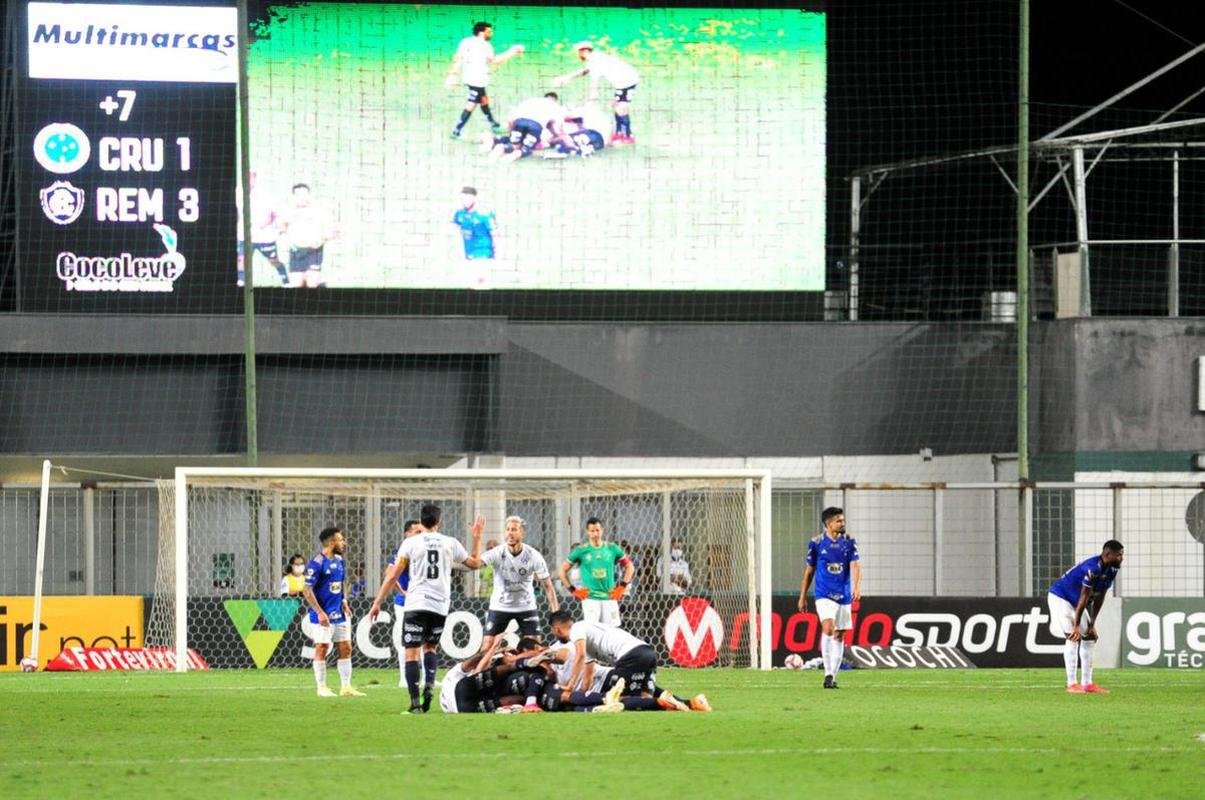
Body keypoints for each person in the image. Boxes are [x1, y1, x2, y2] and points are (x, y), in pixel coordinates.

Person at [370, 504, 484, 714]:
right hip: (439, 606)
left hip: (416, 603)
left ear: (421, 522)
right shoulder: (450, 542)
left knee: (411, 653)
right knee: (430, 648)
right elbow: (475, 564)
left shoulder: (410, 543)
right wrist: (477, 537)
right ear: (439, 522)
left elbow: (393, 575)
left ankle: (415, 703)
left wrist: (377, 602)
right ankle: (429, 685)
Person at [547, 610, 710, 711]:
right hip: (647, 652)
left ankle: (668, 702)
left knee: (618, 700)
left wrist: (570, 686)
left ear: (557, 629)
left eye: (553, 632)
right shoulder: (588, 633)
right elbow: (588, 672)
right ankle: (693, 703)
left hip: (630, 656)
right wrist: (583, 695)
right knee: (645, 698)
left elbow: (580, 656)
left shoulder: (576, 629)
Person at [473, 516, 560, 693]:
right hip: (500, 606)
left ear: (522, 533)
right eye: (508, 530)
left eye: (514, 529)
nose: (510, 533)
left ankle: (536, 686)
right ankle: (480, 686)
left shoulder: (533, 556)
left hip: (526, 606)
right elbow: (475, 564)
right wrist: (477, 537)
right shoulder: (497, 552)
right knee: (487, 646)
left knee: (535, 648)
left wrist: (556, 615)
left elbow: (548, 586)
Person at [1047, 540, 1124, 694]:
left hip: (1076, 602)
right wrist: (1076, 625)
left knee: (1089, 637)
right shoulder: (1092, 568)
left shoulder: (1112, 569)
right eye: (1118, 555)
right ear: (1107, 554)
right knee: (1073, 636)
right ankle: (1071, 684)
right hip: (1061, 598)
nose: (1121, 558)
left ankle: (1087, 684)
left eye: (1122, 555)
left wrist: (1092, 624)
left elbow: (1100, 596)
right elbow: (1084, 597)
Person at [797, 507, 861, 689]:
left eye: (843, 520)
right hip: (823, 594)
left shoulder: (849, 541)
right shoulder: (816, 543)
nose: (842, 523)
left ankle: (833, 675)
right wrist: (802, 596)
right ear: (829, 524)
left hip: (844, 595)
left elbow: (856, 566)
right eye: (839, 521)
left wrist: (857, 587)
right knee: (828, 628)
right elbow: (809, 572)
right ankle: (827, 673)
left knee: (840, 635)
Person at [301, 526, 364, 697]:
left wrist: (344, 601)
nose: (344, 543)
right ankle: (321, 688)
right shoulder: (316, 563)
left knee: (346, 647)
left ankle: (346, 687)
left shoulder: (339, 561)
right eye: (341, 540)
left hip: (339, 613)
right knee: (322, 647)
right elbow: (307, 590)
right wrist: (319, 612)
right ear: (331, 542)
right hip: (323, 615)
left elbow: (340, 583)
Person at [446, 21, 524, 139]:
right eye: (489, 31)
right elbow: (495, 61)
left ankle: (494, 124)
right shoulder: (486, 46)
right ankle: (456, 131)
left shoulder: (465, 41)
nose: (491, 34)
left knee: (483, 100)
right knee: (472, 104)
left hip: (469, 78)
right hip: (477, 80)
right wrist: (512, 51)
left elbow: (458, 58)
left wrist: (452, 74)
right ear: (481, 32)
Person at [552, 41, 639, 145]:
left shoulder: (595, 62)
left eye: (579, 52)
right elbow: (585, 70)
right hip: (623, 81)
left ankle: (628, 136)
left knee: (620, 108)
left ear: (584, 51)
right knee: (616, 106)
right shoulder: (595, 57)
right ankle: (619, 133)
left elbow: (594, 85)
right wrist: (566, 77)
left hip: (627, 81)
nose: (578, 55)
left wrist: (590, 102)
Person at [558, 517, 634, 626]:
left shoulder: (612, 548)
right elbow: (562, 571)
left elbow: (630, 566)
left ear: (602, 530)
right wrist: (573, 591)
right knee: (593, 631)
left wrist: (621, 588)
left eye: (597, 530)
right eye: (592, 531)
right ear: (587, 532)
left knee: (611, 632)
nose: (595, 534)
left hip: (610, 597)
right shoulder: (581, 550)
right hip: (590, 599)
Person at [278, 182, 339, 288]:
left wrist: (322, 240)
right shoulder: (289, 212)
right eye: (298, 195)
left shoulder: (319, 211)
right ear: (293, 197)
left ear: (309, 195)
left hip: (314, 252)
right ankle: (321, 284)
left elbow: (334, 231)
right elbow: (282, 226)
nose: (302, 197)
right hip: (296, 252)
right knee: (297, 284)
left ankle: (318, 283)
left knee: (311, 284)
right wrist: (288, 238)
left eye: (305, 194)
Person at [386, 519, 423, 688]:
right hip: (404, 603)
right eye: (417, 532)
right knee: (407, 639)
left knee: (424, 640)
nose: (420, 535)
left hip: (422, 601)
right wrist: (402, 592)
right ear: (407, 534)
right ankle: (403, 678)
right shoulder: (401, 552)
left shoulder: (422, 551)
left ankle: (426, 678)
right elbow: (389, 573)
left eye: (421, 532)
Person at [236, 170, 288, 287]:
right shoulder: (238, 194)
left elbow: (273, 215)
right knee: (241, 260)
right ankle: (241, 282)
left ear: (254, 180)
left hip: (264, 237)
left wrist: (261, 226)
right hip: (244, 237)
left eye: (251, 178)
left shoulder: (265, 196)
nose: (248, 181)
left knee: (273, 261)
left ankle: (286, 281)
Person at [484, 92, 570, 163]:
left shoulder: (531, 101)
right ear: (555, 100)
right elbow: (555, 126)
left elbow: (511, 119)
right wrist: (556, 136)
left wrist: (511, 132)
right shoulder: (554, 106)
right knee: (526, 149)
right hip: (535, 126)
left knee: (515, 145)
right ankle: (508, 158)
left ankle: (500, 148)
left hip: (519, 122)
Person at [453, 187, 496, 260]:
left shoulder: (485, 214)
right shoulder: (459, 213)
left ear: (474, 198)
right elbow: (455, 228)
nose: (464, 202)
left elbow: (495, 235)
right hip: (467, 255)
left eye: (467, 199)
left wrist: (496, 255)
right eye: (462, 199)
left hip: (483, 254)